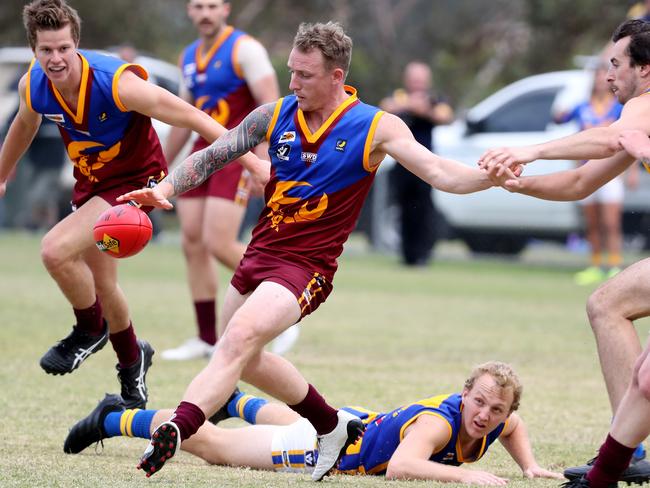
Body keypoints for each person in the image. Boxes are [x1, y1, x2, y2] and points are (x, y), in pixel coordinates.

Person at [117, 21, 498, 480]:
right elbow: (215, 153)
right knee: (242, 355)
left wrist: (492, 175)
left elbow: (440, 173)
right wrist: (166, 188)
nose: (293, 83)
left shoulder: (376, 126)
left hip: (307, 267)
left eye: (306, 75)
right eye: (292, 71)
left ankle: (179, 426)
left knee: (237, 340)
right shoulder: (274, 115)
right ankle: (330, 425)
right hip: (260, 253)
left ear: (336, 76)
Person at [0, 0, 266, 409]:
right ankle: (132, 361)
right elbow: (23, 124)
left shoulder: (116, 83)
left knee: (54, 250)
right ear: (34, 50)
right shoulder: (33, 84)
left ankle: (89, 330)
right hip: (91, 184)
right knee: (103, 284)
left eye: (63, 49)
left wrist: (252, 160)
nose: (55, 59)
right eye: (46, 50)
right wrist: (2, 175)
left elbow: (193, 117)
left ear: (77, 45)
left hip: (133, 183)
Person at [478, 18, 650, 486]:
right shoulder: (635, 117)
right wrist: (520, 185)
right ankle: (627, 450)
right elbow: (580, 181)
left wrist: (530, 151)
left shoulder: (643, 107)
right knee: (607, 303)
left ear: (645, 70)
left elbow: (612, 138)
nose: (608, 74)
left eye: (616, 64)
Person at [64, 361, 561, 484]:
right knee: (213, 446)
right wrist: (466, 474)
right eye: (477, 402)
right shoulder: (440, 424)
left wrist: (531, 466)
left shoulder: (498, 421)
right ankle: (113, 416)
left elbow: (513, 430)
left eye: (495, 410)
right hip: (324, 451)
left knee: (287, 416)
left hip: (354, 424)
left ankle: (235, 399)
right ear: (464, 394)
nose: (484, 415)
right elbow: (403, 468)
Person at [161, 0, 297, 361]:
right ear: (189, 11)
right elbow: (184, 114)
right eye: (197, 6)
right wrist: (161, 165)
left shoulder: (245, 49)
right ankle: (206, 338)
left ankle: (281, 303)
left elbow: (273, 106)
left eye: (212, 5)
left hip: (238, 154)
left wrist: (265, 161)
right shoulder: (188, 56)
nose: (204, 13)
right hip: (201, 154)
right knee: (192, 242)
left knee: (217, 241)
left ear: (226, 9)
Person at [554, 63, 633, 285]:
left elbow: (630, 137)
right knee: (593, 223)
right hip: (586, 171)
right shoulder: (582, 107)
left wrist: (632, 172)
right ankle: (596, 266)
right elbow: (560, 118)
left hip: (610, 172)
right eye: (597, 76)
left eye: (604, 76)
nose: (601, 80)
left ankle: (615, 266)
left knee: (611, 222)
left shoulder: (618, 107)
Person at [379, 61, 454, 267]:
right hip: (402, 164)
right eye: (414, 79)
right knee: (403, 209)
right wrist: (410, 105)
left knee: (424, 209)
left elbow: (445, 115)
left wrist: (425, 111)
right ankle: (406, 255)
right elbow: (385, 107)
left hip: (427, 164)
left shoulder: (435, 99)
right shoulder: (399, 96)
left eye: (421, 79)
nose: (417, 83)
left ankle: (423, 254)